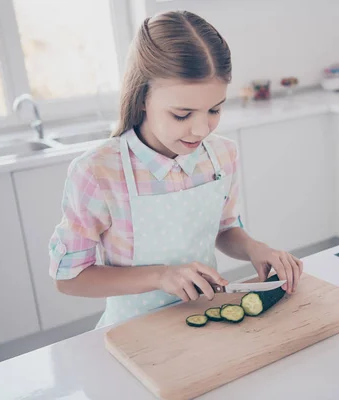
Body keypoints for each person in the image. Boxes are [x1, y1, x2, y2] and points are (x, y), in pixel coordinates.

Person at [48, 10, 303, 329]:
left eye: (214, 110)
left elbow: (223, 229)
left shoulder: (223, 154)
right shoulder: (98, 172)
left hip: (204, 321)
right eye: (182, 114)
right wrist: (160, 276)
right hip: (130, 333)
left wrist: (255, 248)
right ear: (142, 98)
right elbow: (69, 278)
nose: (200, 130)